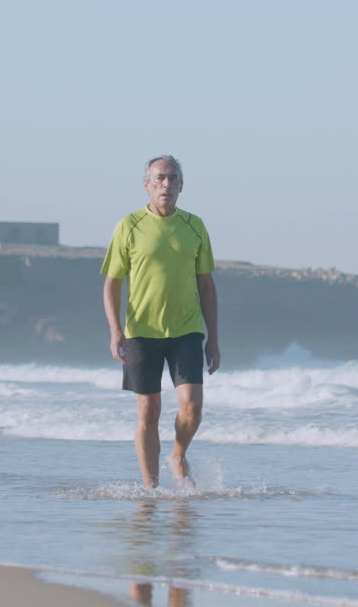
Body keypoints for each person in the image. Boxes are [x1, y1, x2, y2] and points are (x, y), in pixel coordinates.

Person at [102, 155, 220, 489]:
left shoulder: (195, 226)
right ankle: (151, 489)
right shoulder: (129, 225)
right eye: (159, 179)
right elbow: (111, 283)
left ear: (181, 185)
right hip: (141, 331)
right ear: (147, 185)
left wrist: (213, 338)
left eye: (172, 178)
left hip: (187, 329)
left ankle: (178, 455)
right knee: (148, 411)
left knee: (193, 406)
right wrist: (115, 331)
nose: (166, 185)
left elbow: (207, 286)